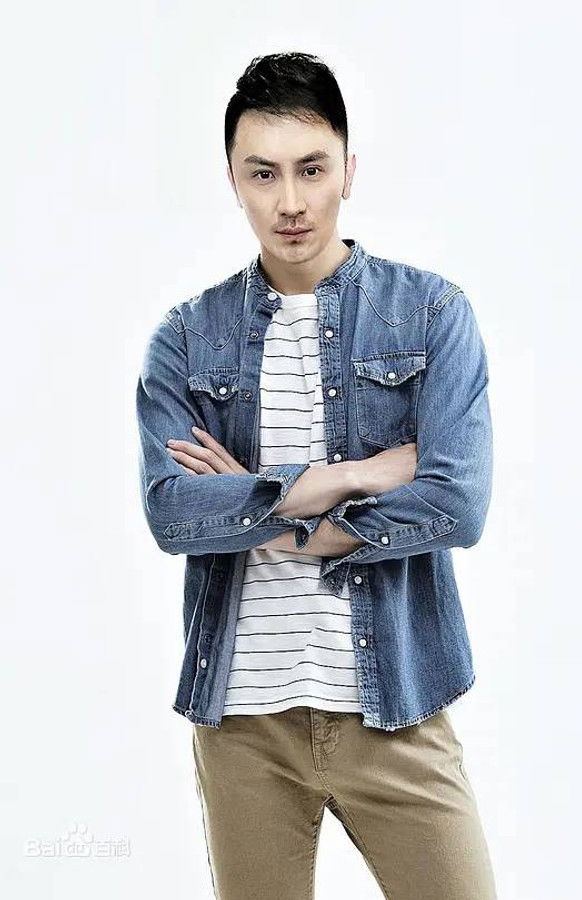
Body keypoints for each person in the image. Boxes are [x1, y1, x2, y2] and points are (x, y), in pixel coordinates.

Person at [136, 51, 497, 900]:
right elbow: (173, 514)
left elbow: (458, 503)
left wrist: (258, 505)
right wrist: (356, 474)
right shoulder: (186, 338)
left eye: (312, 169)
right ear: (233, 179)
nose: (290, 202)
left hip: (397, 706)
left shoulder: (431, 314)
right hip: (244, 723)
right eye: (263, 174)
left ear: (348, 170)